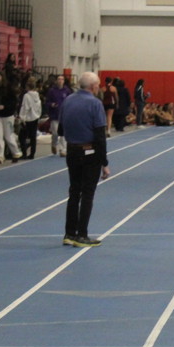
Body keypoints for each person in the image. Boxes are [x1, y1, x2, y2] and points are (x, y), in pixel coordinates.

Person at [60, 71, 110, 247]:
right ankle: (82, 234)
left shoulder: (67, 100)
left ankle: (69, 233)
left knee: (74, 192)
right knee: (88, 194)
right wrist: (104, 162)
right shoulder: (95, 104)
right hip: (89, 152)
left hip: (72, 150)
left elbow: (60, 129)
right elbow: (100, 136)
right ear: (93, 86)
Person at [0, 72, 21, 164]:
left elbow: (14, 102)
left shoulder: (10, 89)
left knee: (8, 135)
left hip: (8, 115)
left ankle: (15, 152)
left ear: (3, 77)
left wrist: (5, 106)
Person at [46, 74, 71, 157]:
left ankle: (63, 150)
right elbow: (47, 102)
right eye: (59, 79)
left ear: (64, 81)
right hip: (54, 115)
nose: (60, 81)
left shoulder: (67, 91)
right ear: (56, 81)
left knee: (63, 134)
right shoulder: (51, 91)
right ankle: (53, 144)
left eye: (62, 79)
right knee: (55, 133)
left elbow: (70, 101)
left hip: (64, 115)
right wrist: (51, 104)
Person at [18, 78, 42, 159]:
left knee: (22, 137)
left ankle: (24, 153)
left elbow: (25, 107)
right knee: (33, 137)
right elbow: (39, 107)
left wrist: (22, 118)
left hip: (28, 119)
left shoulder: (27, 96)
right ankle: (32, 153)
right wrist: (38, 115)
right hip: (35, 118)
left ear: (27, 87)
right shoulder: (37, 95)